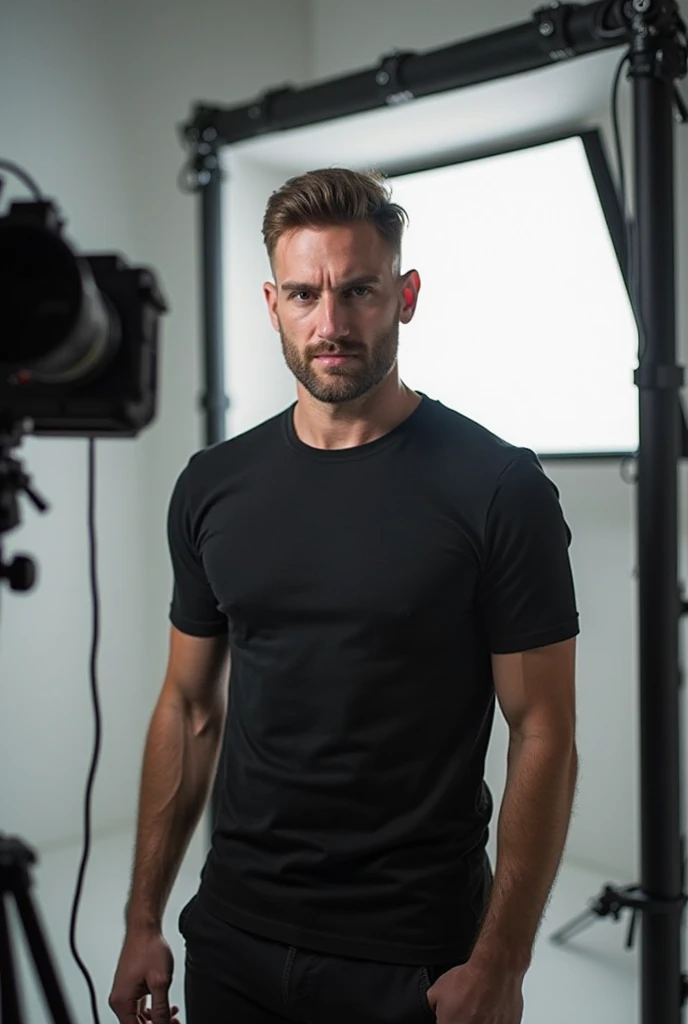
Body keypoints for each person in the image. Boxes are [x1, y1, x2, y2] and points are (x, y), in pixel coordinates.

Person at [109, 167, 579, 1024]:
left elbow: (543, 728)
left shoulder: (498, 487)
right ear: (271, 303)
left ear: (404, 294)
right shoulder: (213, 486)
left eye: (358, 291)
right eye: (303, 294)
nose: (330, 324)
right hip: (233, 933)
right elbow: (188, 708)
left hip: (412, 954)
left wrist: (501, 963)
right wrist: (144, 918)